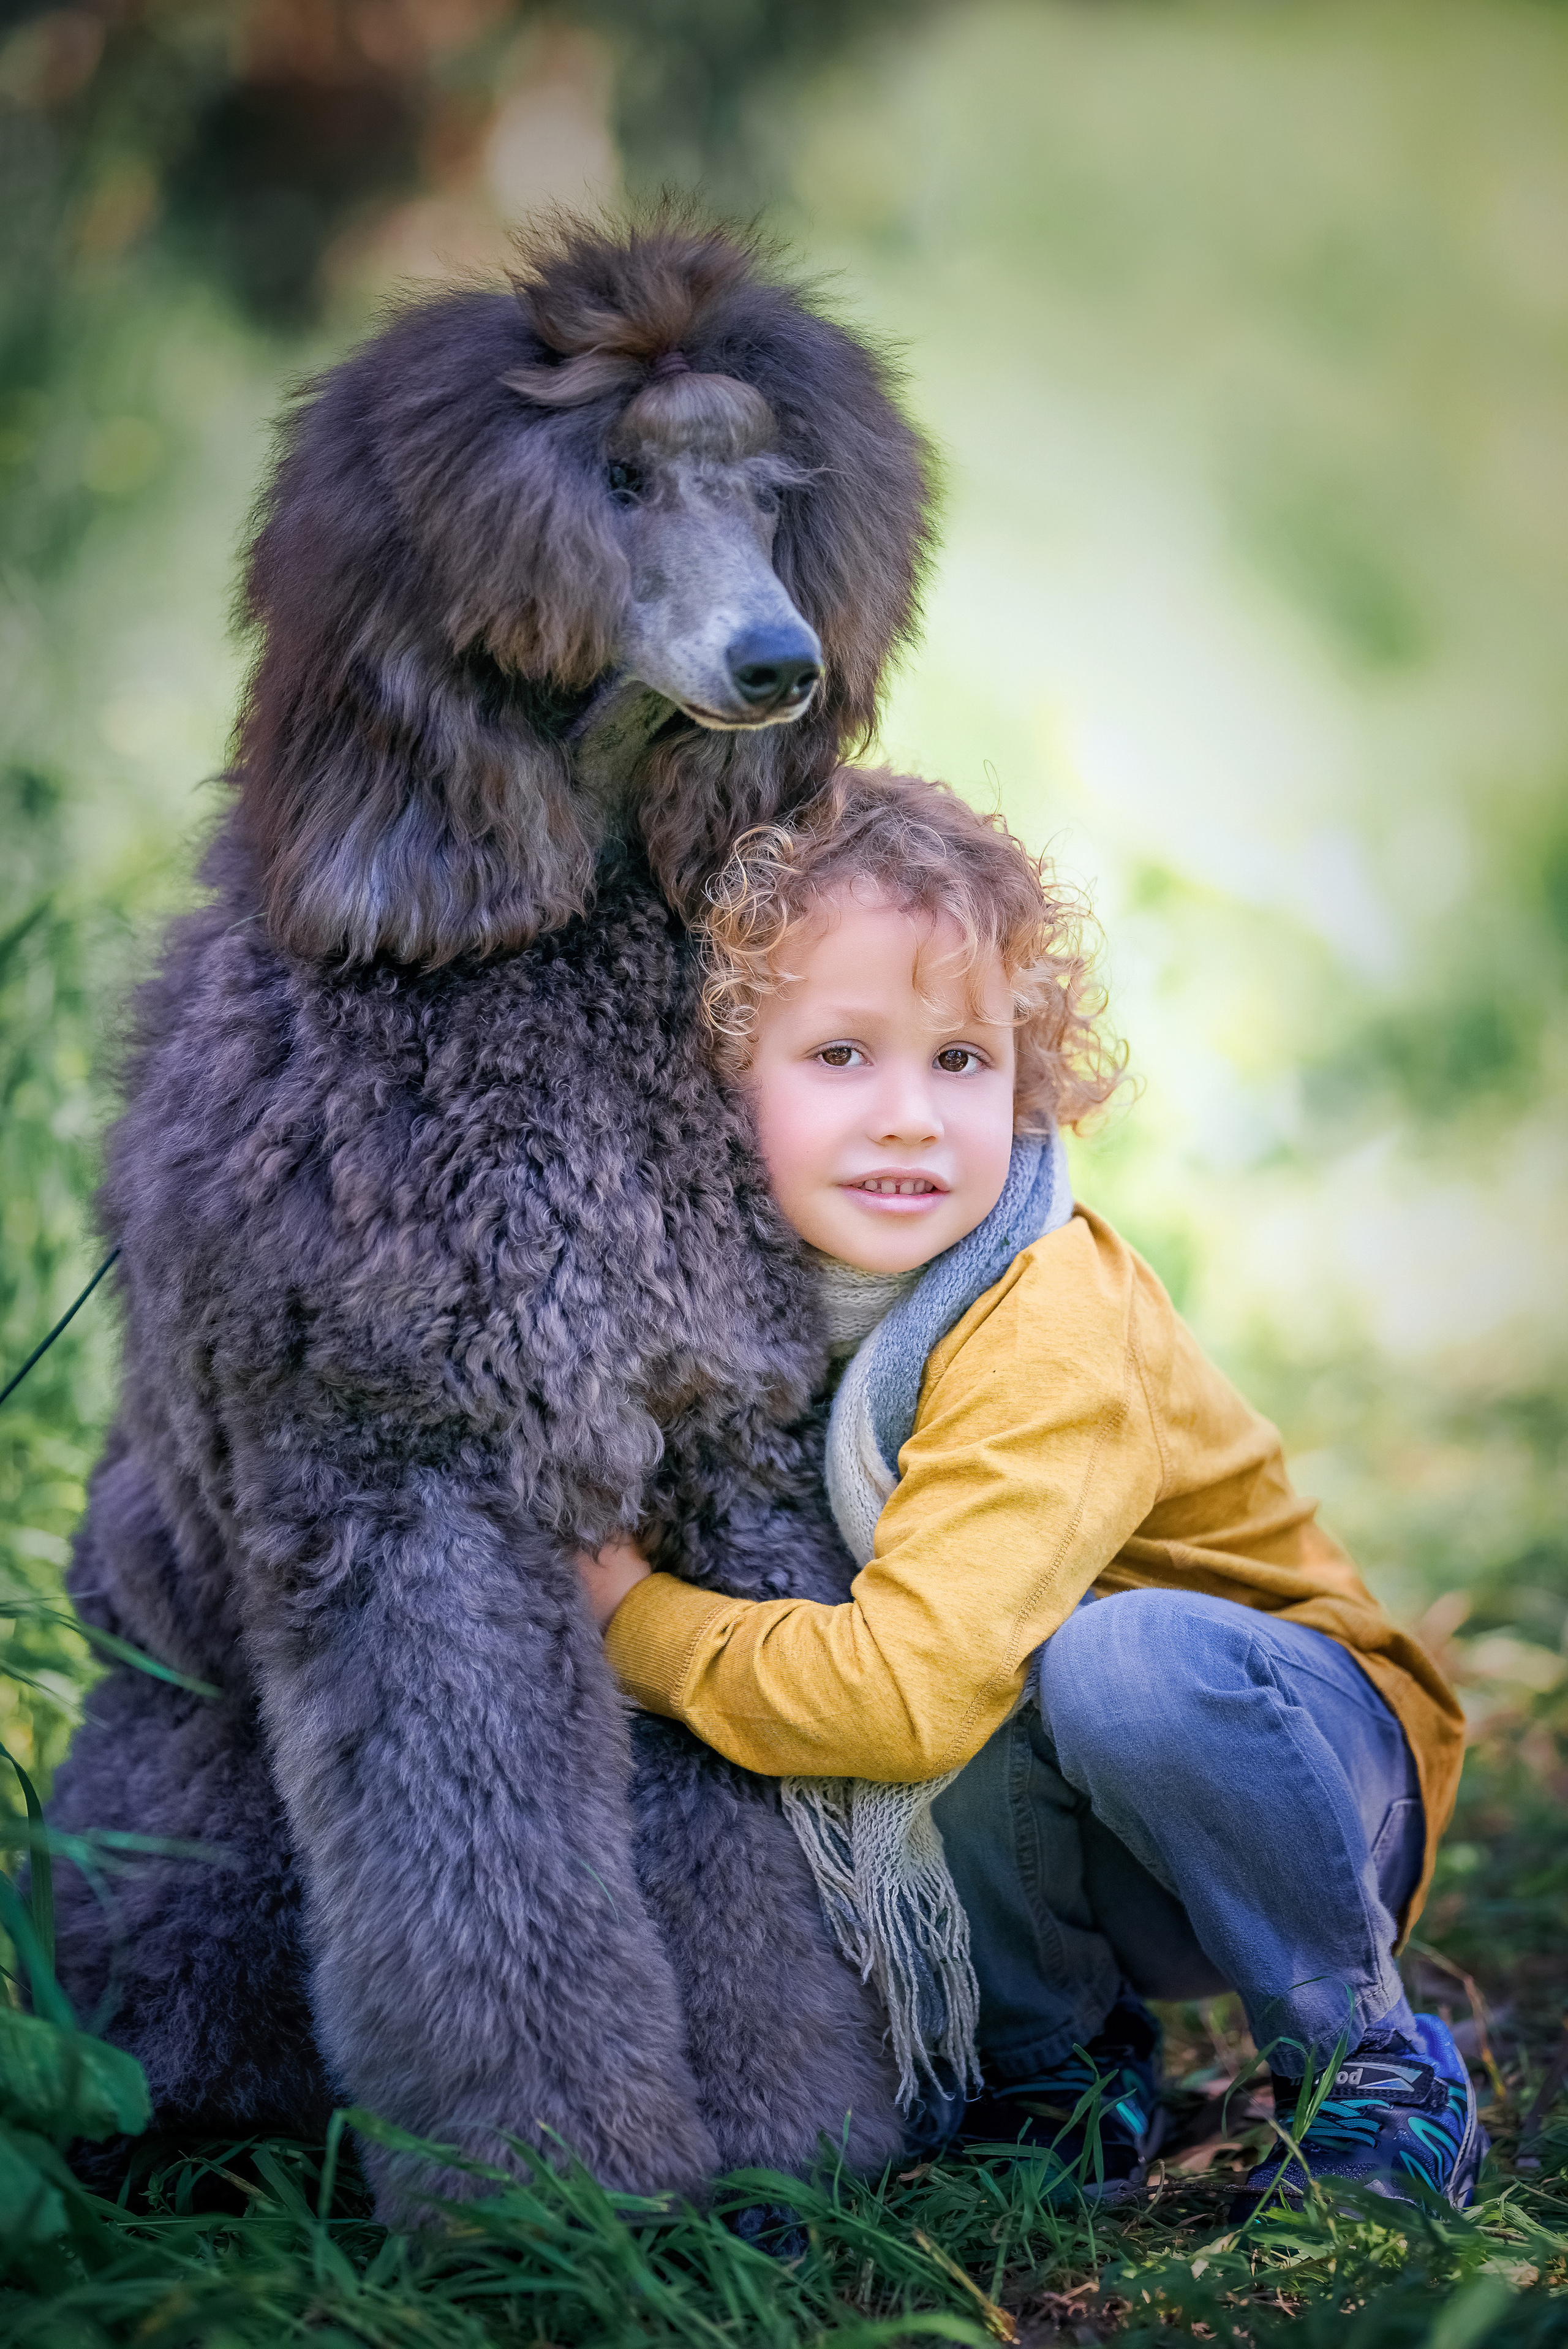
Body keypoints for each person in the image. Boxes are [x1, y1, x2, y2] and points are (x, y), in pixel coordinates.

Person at [576, 767, 1480, 2214]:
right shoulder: (752, 1299)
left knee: (1098, 1657)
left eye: (959, 1061)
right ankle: (1053, 2070)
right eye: (839, 1056)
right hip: (1078, 1816)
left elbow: (904, 1697)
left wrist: (638, 1622)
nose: (908, 1119)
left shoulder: (1039, 1311)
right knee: (986, 1657)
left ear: (1027, 1073)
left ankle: (1365, 2057)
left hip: (1291, 1781)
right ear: (723, 1071)